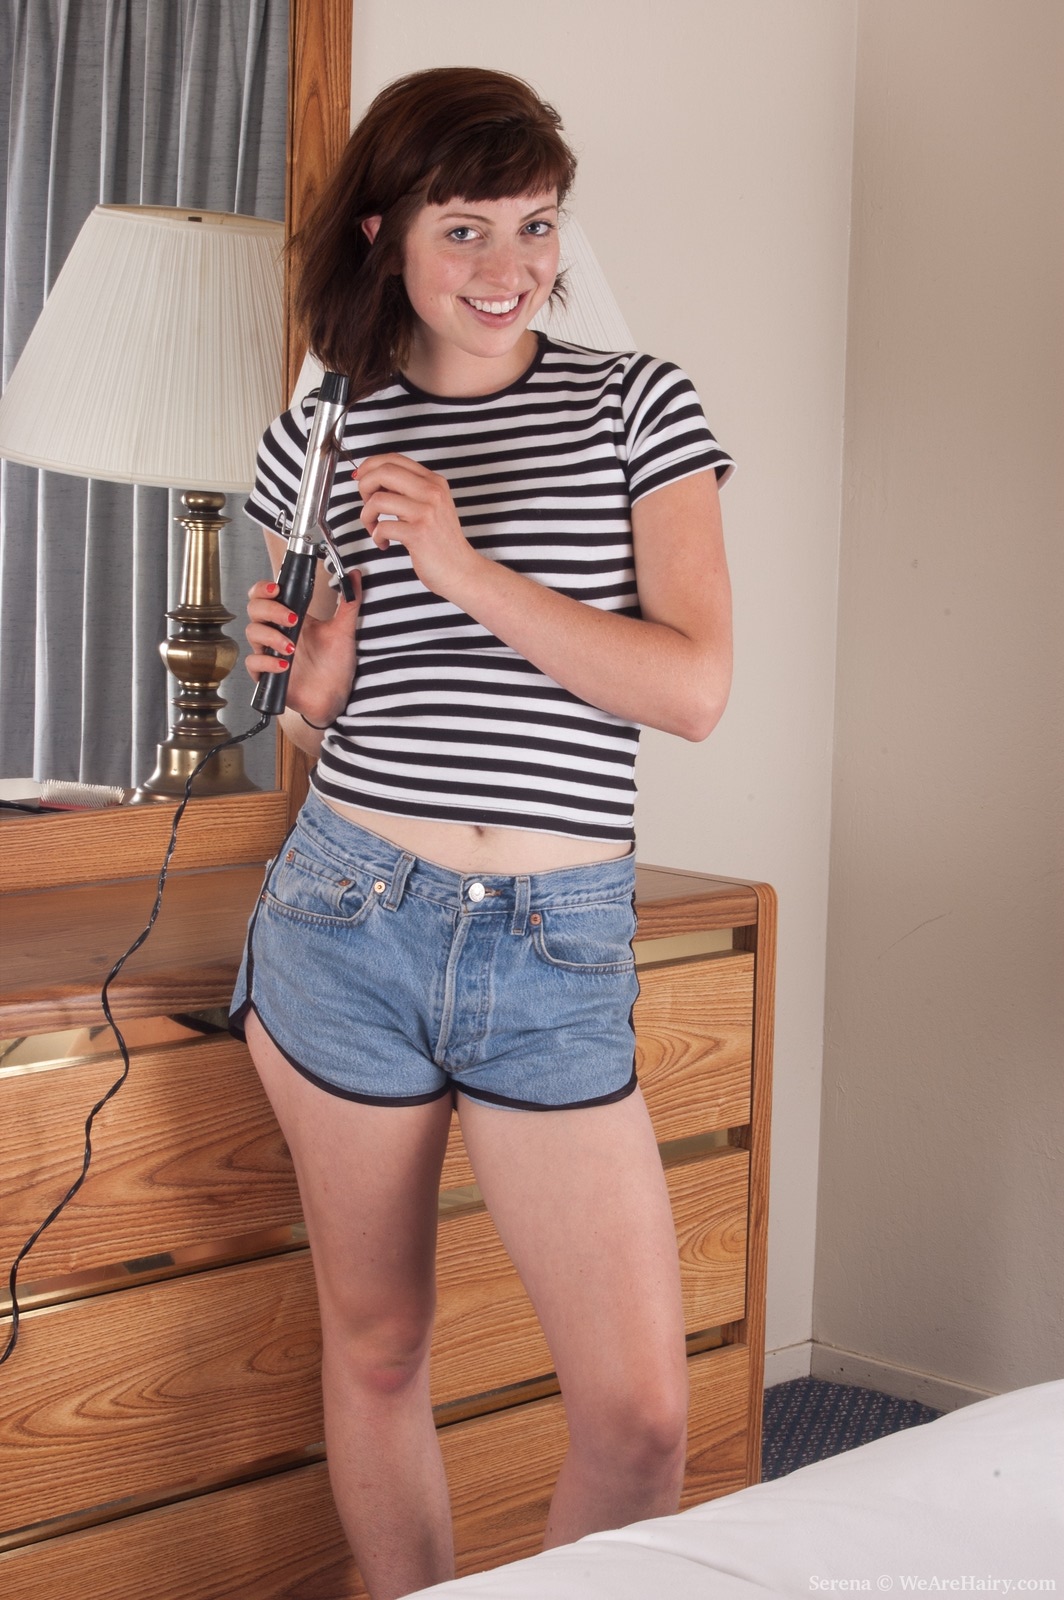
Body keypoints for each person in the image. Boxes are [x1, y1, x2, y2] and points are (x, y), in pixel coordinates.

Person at [232, 65, 734, 1600]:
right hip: (347, 917)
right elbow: (322, 720)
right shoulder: (316, 440)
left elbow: (692, 688)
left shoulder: (637, 405)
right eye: (465, 229)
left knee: (640, 1422)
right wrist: (312, 683)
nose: (510, 266)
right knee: (381, 1346)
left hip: (553, 938)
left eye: (535, 223)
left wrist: (462, 567)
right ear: (384, 235)